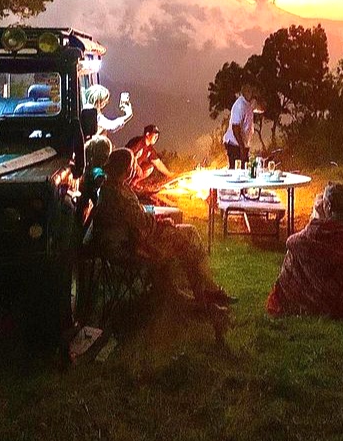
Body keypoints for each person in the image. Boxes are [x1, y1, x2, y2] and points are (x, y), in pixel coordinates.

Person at [88, 148, 234, 308]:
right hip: (132, 245)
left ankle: (201, 290)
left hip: (134, 238)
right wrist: (160, 222)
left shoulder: (114, 187)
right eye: (132, 166)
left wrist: (157, 220)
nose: (134, 170)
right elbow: (140, 221)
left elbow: (135, 217)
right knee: (185, 241)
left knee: (189, 232)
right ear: (126, 169)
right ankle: (202, 298)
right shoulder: (116, 192)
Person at [266, 183, 343, 318]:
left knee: (294, 256)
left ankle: (284, 300)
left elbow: (292, 242)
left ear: (329, 206)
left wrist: (316, 218)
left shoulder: (326, 231)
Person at [125, 124, 176, 193]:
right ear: (147, 134)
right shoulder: (138, 142)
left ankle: (133, 183)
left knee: (150, 168)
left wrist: (169, 174)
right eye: (155, 135)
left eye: (157, 136)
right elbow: (128, 154)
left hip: (134, 168)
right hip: (125, 166)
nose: (156, 138)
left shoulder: (150, 149)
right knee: (133, 165)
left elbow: (158, 163)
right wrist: (136, 166)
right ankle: (125, 183)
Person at [222, 82, 258, 168]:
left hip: (242, 145)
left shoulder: (249, 104)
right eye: (250, 91)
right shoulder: (240, 106)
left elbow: (261, 108)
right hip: (235, 145)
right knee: (236, 172)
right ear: (245, 92)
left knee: (244, 170)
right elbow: (235, 128)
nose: (252, 93)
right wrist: (242, 148)